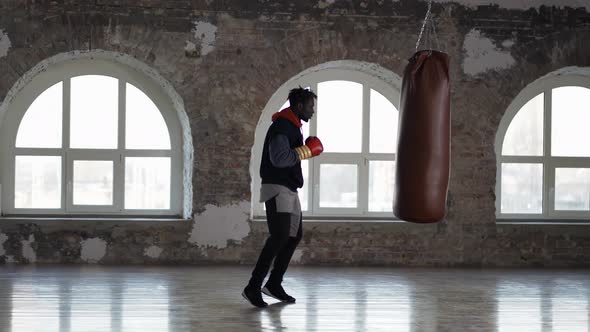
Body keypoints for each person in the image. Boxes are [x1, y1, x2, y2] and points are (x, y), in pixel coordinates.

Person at [242, 87, 323, 308]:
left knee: (293, 236)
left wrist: (305, 150)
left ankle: (274, 284)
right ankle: (253, 286)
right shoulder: (282, 126)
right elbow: (279, 159)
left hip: (289, 188)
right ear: (299, 106)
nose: (312, 111)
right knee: (279, 237)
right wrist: (307, 150)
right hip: (278, 188)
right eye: (310, 106)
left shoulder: (291, 126)